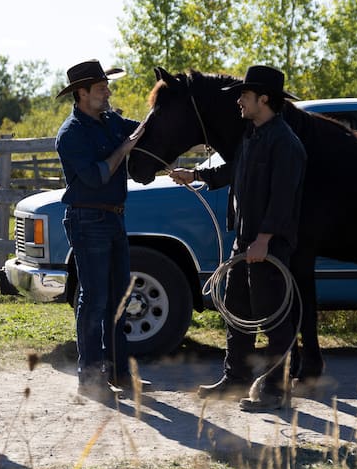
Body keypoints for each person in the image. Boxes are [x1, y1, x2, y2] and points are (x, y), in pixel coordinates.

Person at [169, 65, 306, 411]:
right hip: (245, 241)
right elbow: (234, 170)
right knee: (236, 309)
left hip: (268, 244)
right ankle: (236, 379)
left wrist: (263, 239)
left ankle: (275, 390)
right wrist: (196, 174)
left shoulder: (286, 143)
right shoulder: (252, 136)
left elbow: (282, 198)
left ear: (264, 99)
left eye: (245, 96)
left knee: (274, 315)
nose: (239, 102)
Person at [55, 59, 147, 401]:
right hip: (87, 219)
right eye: (101, 87)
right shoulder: (71, 134)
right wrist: (124, 149)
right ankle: (90, 377)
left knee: (118, 298)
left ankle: (120, 373)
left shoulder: (110, 121)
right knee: (94, 299)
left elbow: (142, 130)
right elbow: (95, 177)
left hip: (112, 217)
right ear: (82, 93)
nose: (107, 91)